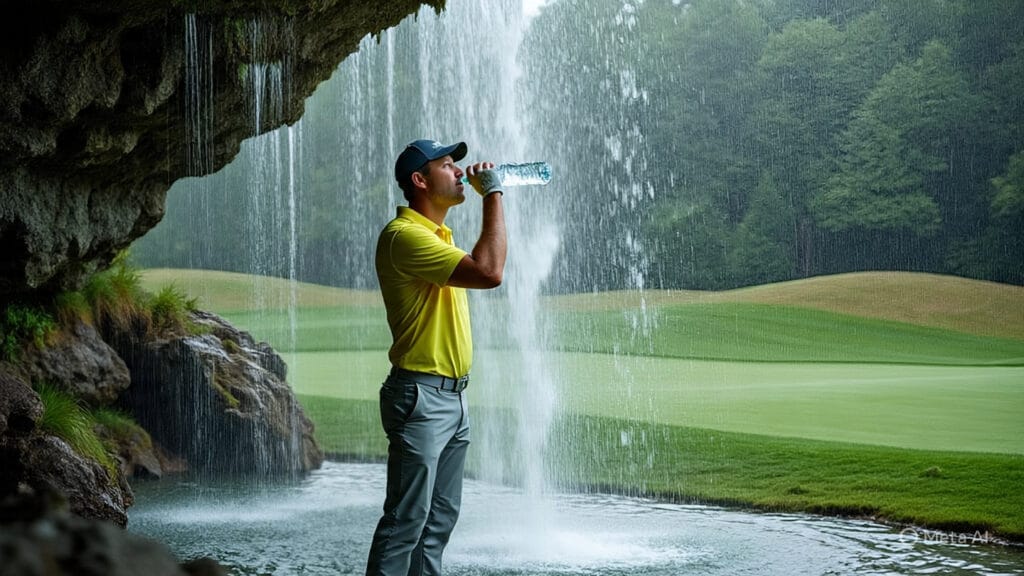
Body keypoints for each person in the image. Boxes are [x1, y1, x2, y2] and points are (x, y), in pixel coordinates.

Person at [366, 139, 507, 576]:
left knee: (437, 525)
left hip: (452, 398)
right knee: (405, 522)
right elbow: (489, 272)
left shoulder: (438, 236)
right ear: (420, 180)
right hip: (421, 397)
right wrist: (494, 194)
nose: (461, 172)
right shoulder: (403, 236)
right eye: (449, 166)